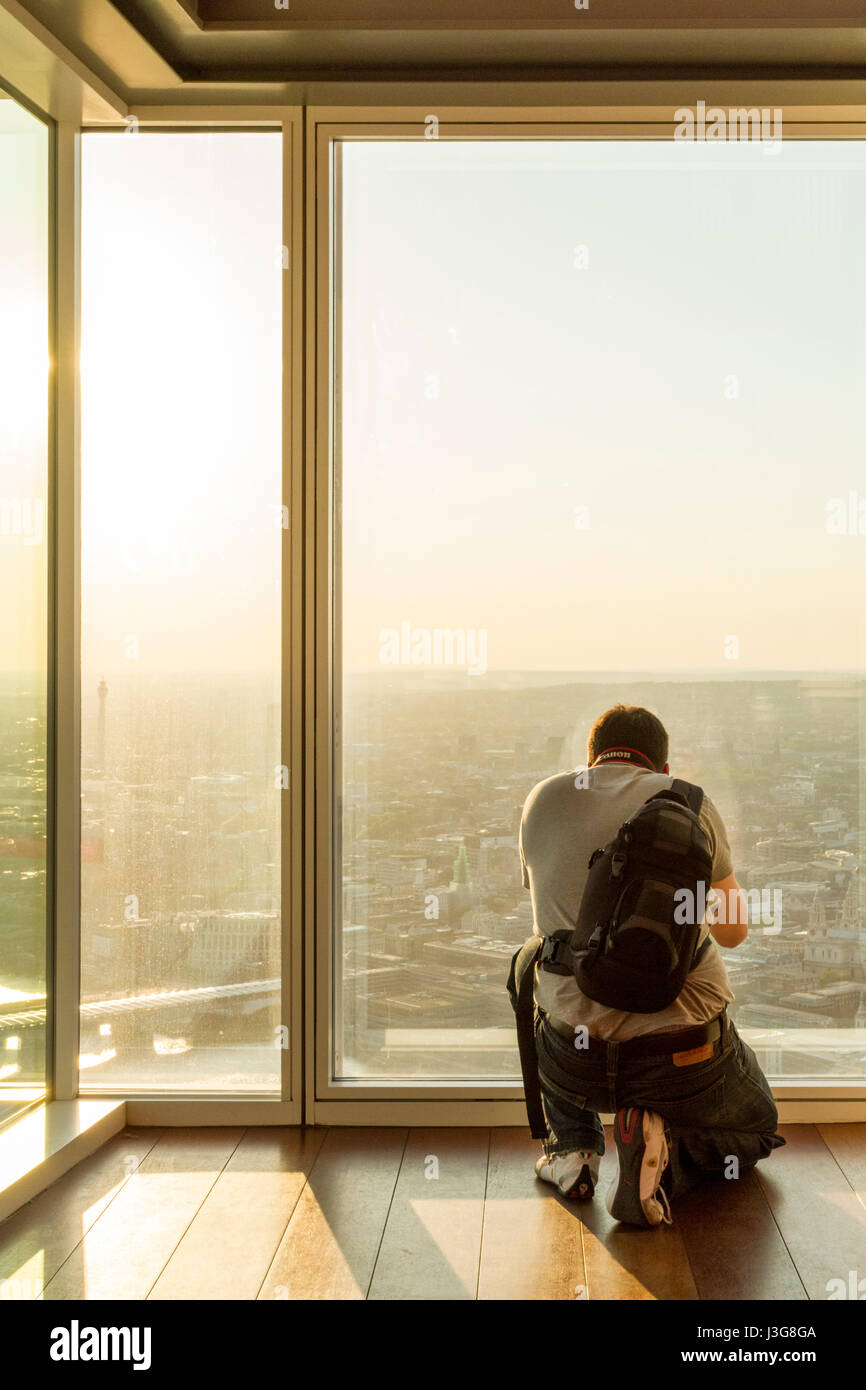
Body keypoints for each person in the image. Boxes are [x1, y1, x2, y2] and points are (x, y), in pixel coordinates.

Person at [514, 703, 785, 1228]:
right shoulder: (687, 801)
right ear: (662, 768)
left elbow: (550, 919)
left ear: (588, 762)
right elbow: (733, 933)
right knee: (757, 1127)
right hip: (680, 1057)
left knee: (534, 960)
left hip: (575, 1059)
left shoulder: (542, 798)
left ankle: (573, 1150)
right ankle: (660, 1161)